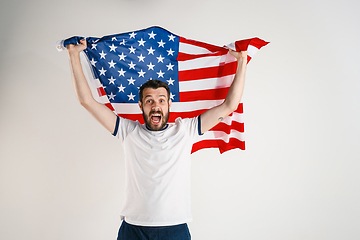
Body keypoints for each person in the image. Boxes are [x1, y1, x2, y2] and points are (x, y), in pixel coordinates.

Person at [67, 39, 247, 240]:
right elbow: (87, 101)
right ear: (141, 105)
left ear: (169, 103)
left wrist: (242, 62)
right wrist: (74, 55)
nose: (155, 106)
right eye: (149, 101)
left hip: (175, 229)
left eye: (161, 100)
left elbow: (229, 105)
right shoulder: (127, 131)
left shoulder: (185, 130)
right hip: (133, 230)